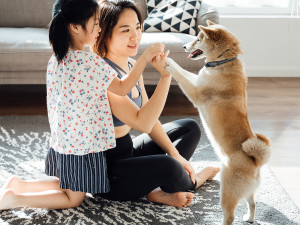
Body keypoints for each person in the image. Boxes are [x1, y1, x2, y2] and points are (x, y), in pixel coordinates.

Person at [0, 0, 166, 211]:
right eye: (95, 23)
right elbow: (123, 88)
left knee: (72, 185)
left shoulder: (57, 60)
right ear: (75, 27)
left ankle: (20, 185)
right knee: (74, 198)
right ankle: (16, 199)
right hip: (82, 146)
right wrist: (144, 57)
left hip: (64, 141)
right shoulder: (90, 63)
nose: (99, 28)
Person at [92, 0, 220, 208]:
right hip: (109, 177)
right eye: (126, 30)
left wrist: (175, 153)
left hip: (127, 151)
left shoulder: (130, 65)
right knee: (168, 165)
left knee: (189, 128)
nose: (135, 36)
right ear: (105, 33)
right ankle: (193, 181)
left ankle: (156, 191)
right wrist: (165, 77)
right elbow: (142, 123)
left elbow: (150, 119)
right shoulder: (105, 76)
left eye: (137, 27)